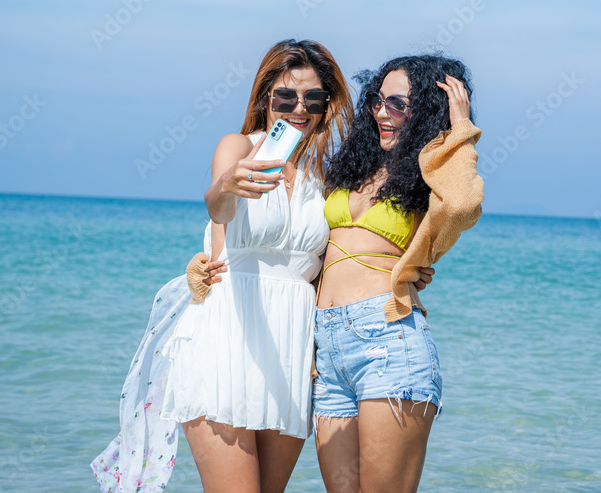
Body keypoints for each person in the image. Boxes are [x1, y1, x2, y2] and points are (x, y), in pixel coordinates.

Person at [203, 55, 484, 492]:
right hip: (325, 353)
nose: (381, 112)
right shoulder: (351, 170)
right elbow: (299, 250)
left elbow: (465, 204)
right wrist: (208, 259)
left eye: (399, 104)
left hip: (388, 340)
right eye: (377, 100)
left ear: (429, 110)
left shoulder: (428, 178)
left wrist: (460, 130)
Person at [91, 39, 354, 493]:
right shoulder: (238, 148)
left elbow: (334, 258)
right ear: (264, 98)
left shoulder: (325, 177)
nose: (298, 108)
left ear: (326, 105)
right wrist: (228, 184)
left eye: (312, 98)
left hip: (290, 349)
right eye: (285, 96)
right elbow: (219, 208)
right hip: (225, 337)